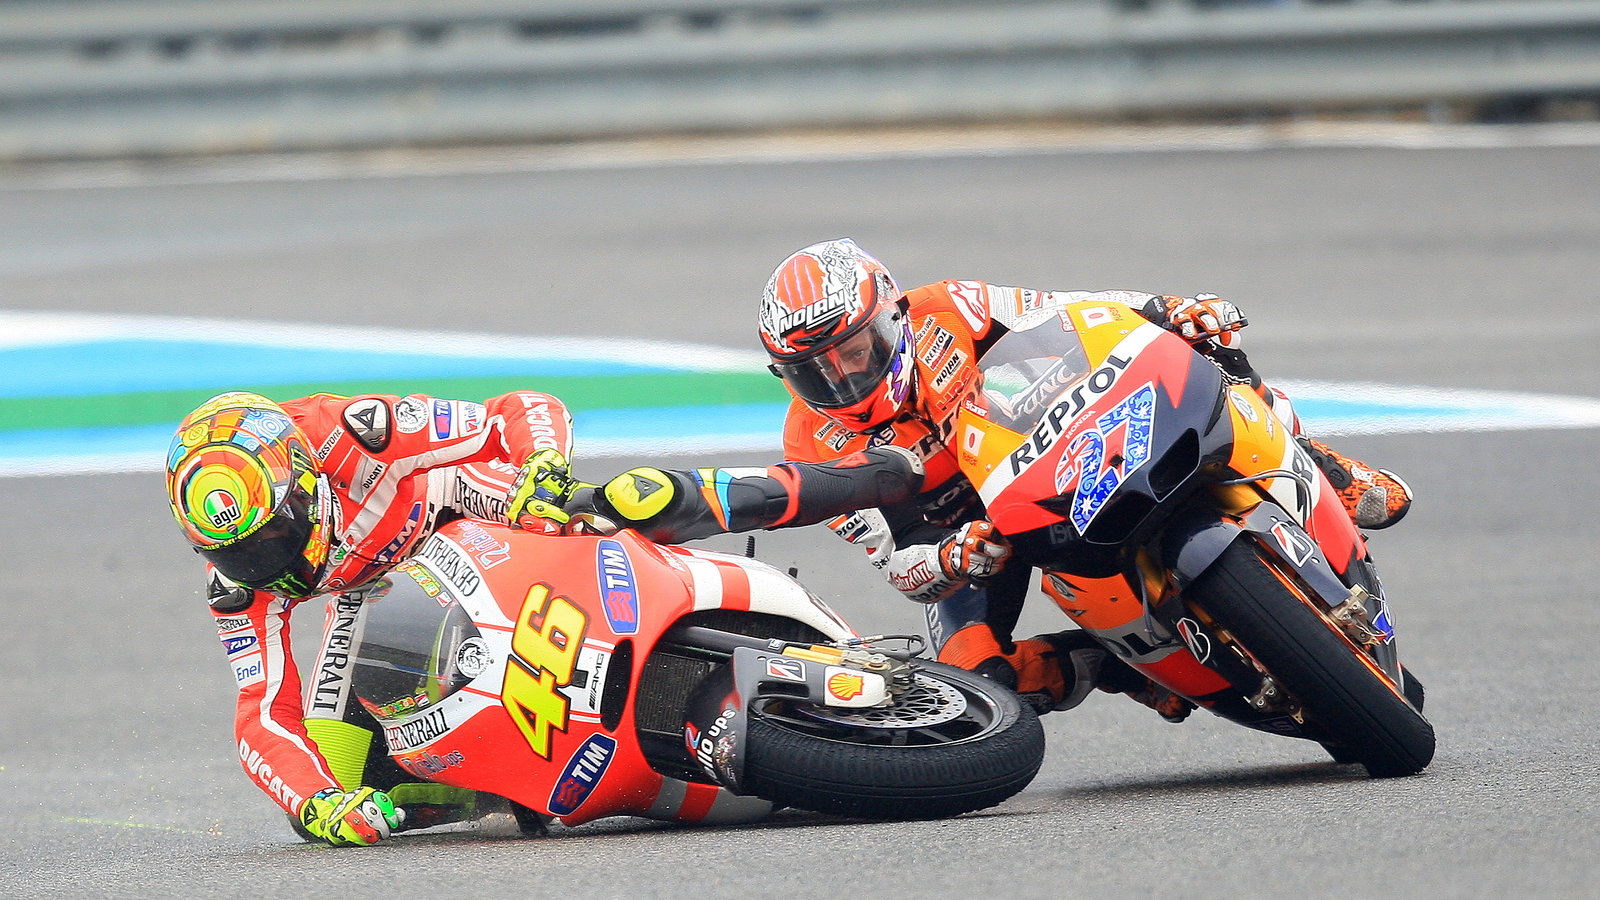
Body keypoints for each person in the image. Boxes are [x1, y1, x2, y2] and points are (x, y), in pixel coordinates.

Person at [570, 238, 1413, 721]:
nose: (845, 383)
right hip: (977, 533)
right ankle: (1120, 668)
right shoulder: (814, 438)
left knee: (1212, 360)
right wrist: (951, 560)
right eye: (815, 372)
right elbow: (897, 566)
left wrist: (1170, 310)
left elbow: (1084, 313)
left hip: (1059, 446)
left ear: (891, 315)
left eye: (854, 354)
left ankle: (1327, 472)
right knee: (978, 685)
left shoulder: (953, 305)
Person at [165, 389, 579, 846]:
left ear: (304, 481)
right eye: (240, 555)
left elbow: (521, 408)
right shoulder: (236, 588)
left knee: (569, 511)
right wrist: (317, 800)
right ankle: (494, 790)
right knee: (323, 803)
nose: (267, 564)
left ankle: (660, 558)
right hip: (371, 591)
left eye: (278, 532)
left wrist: (543, 464)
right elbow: (262, 713)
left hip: (454, 505)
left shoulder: (357, 432)